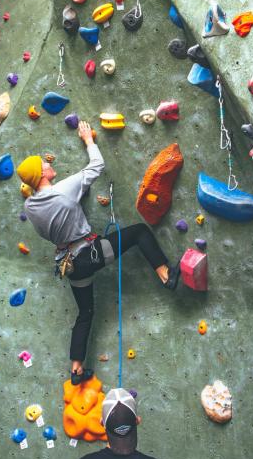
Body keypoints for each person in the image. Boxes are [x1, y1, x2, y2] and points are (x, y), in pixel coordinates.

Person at [17, 121, 180, 385]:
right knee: (139, 232)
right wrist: (88, 140)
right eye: (43, 165)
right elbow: (96, 167)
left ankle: (76, 369)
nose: (47, 164)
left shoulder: (30, 207)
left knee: (85, 313)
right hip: (89, 253)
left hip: (68, 263)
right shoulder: (62, 191)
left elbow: (49, 230)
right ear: (41, 174)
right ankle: (165, 275)